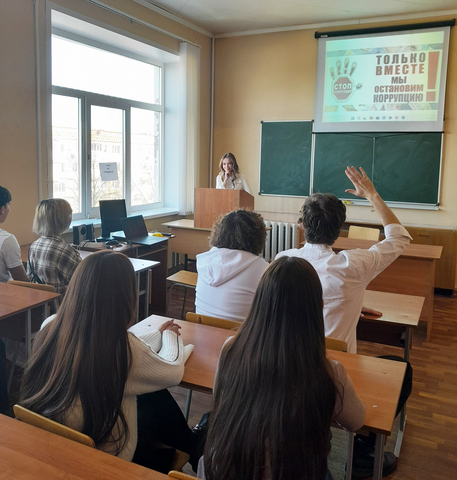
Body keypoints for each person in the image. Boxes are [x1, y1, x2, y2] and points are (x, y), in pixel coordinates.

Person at [276, 166, 412, 477]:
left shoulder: (284, 261)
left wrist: (353, 304)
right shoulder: (353, 265)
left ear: (301, 225)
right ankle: (363, 453)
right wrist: (371, 195)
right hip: (332, 375)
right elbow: (399, 236)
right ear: (340, 229)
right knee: (401, 369)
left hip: (284, 366)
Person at [20, 250, 200, 472]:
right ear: (126, 297)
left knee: (150, 395)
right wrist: (171, 335)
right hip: (106, 460)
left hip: (58, 446)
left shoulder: (50, 325)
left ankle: (193, 446)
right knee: (155, 397)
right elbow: (173, 372)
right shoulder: (123, 349)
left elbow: (120, 350)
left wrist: (156, 334)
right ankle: (195, 449)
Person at [200, 256, 366, 480]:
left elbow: (218, 401)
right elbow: (357, 421)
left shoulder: (230, 349)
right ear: (319, 307)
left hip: (229, 468)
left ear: (259, 302)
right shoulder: (328, 372)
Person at [195, 209, 268, 321]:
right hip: (241, 332)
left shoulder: (206, 261)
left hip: (200, 329)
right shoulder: (263, 268)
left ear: (219, 233)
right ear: (258, 237)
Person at [27, 198, 81, 298]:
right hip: (63, 303)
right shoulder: (64, 250)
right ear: (63, 220)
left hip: (42, 302)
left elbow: (30, 276)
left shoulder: (33, 246)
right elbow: (83, 280)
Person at [0, 186, 29, 283]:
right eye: (8, 205)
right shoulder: (7, 240)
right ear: (2, 209)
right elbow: (22, 281)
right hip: (5, 292)